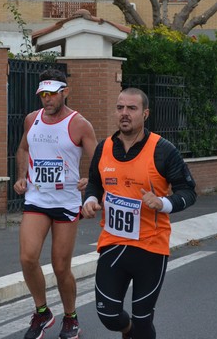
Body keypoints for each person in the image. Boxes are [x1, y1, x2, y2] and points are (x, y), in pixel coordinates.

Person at [81, 87, 197, 339]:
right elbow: (94, 181)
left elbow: (188, 191)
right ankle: (129, 332)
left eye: (131, 108)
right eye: (120, 107)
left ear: (145, 114)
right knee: (108, 314)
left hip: (150, 247)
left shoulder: (163, 150)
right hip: (113, 243)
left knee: (144, 319)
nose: (124, 113)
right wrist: (90, 199)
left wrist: (163, 203)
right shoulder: (104, 148)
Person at [13, 69, 97, 339]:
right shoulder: (31, 119)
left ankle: (71, 317)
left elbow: (99, 161)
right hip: (36, 198)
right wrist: (21, 176)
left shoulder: (80, 124)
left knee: (61, 267)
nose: (47, 100)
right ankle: (42, 312)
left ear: (65, 92)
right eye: (43, 95)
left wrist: (90, 180)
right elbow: (23, 149)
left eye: (52, 94)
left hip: (66, 202)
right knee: (27, 257)